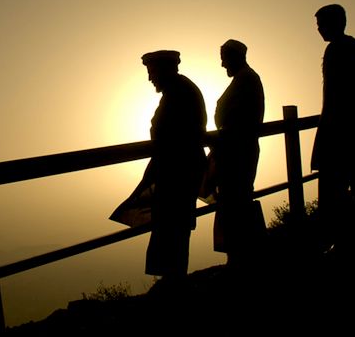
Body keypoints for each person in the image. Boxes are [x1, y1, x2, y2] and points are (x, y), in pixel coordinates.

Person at [111, 50, 207, 282]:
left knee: (172, 225)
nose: (149, 78)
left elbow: (171, 134)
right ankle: (174, 279)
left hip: (178, 170)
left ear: (164, 69)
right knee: (175, 225)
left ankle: (173, 283)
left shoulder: (178, 92)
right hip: (181, 167)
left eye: (151, 71)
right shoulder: (180, 89)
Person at [311, 4, 355, 256]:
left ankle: (347, 242)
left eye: (321, 23)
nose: (318, 29)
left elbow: (336, 96)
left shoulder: (337, 50)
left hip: (340, 132)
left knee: (337, 188)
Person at [210, 39, 266, 267]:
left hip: (237, 152)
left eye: (224, 59)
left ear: (235, 57)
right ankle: (242, 255)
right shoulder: (245, 79)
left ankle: (241, 258)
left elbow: (237, 119)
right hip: (236, 150)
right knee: (236, 200)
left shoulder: (246, 80)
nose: (223, 65)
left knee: (236, 202)